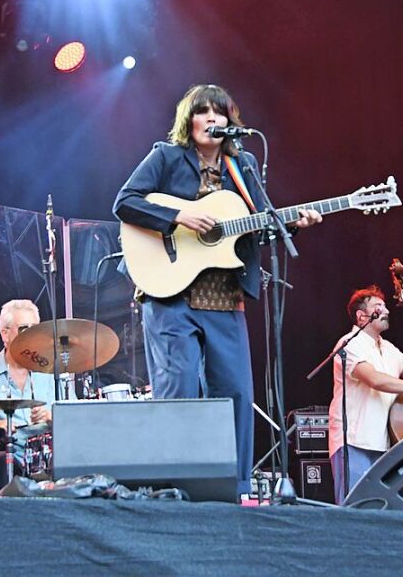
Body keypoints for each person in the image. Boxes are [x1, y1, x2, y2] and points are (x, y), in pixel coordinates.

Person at [113, 84, 321, 496]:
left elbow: (256, 229)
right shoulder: (166, 157)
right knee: (180, 391)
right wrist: (179, 214)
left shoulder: (241, 167)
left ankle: (235, 489)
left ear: (230, 122)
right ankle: (173, 489)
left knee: (238, 395)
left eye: (219, 112)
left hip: (226, 298)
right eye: (202, 111)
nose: (212, 119)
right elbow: (125, 201)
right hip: (172, 295)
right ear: (188, 122)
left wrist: (291, 224)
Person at [328, 285, 403, 504]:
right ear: (361, 317)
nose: (386, 310)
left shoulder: (388, 348)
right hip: (353, 440)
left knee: (381, 510)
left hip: (384, 442)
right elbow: (374, 379)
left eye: (386, 306)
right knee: (355, 509)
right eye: (379, 306)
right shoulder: (349, 344)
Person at [0, 299, 54, 495]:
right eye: (24, 329)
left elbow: (74, 422)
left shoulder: (50, 374)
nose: (31, 336)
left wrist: (49, 416)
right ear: (5, 334)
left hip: (44, 454)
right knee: (2, 461)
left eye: (35, 329)